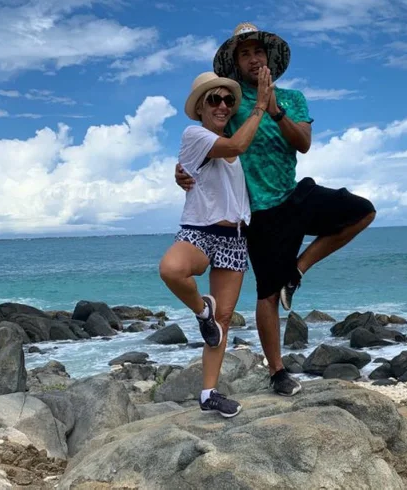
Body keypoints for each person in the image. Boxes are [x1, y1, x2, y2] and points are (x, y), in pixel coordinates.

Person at [175, 23, 376, 397]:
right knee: (266, 295)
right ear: (236, 63)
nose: (253, 59)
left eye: (258, 52)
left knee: (362, 212)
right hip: (257, 213)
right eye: (244, 54)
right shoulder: (231, 104)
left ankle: (296, 271)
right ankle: (277, 372)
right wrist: (182, 170)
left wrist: (275, 109)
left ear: (268, 58)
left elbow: (304, 144)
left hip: (293, 194)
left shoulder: (293, 98)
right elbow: (208, 144)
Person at [159, 67, 273, 417]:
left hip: (235, 236)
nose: (222, 105)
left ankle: (209, 393)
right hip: (200, 230)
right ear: (200, 108)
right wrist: (260, 106)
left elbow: (244, 152)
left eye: (227, 100)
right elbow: (236, 145)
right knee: (172, 269)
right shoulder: (195, 134)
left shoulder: (236, 143)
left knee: (222, 320)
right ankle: (200, 310)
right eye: (214, 100)